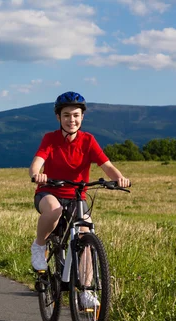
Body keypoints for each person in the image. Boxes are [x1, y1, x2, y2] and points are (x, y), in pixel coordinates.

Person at [28, 91, 130, 308]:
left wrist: (119, 178)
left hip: (77, 196)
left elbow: (107, 165)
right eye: (66, 115)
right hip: (49, 192)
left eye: (75, 115)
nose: (71, 119)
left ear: (82, 117)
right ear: (58, 117)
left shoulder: (88, 140)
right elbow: (37, 161)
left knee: (87, 237)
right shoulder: (50, 138)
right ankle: (39, 246)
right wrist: (37, 173)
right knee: (54, 210)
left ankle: (85, 290)